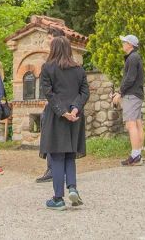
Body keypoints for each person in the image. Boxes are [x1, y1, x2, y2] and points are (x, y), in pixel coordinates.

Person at [39, 36, 89, 210]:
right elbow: (85, 92)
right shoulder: (79, 69)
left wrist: (63, 112)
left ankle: (58, 198)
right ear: (69, 49)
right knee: (70, 155)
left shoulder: (47, 68)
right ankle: (73, 187)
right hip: (75, 118)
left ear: (53, 49)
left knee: (57, 156)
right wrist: (75, 109)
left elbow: (49, 94)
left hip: (56, 118)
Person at [36, 26, 67, 184]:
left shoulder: (58, 60)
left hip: (57, 104)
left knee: (51, 134)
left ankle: (53, 168)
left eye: (49, 38)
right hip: (56, 104)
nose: (46, 41)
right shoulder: (58, 57)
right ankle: (55, 168)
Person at [113, 33, 145, 166]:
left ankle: (135, 156)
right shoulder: (134, 57)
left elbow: (130, 78)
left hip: (132, 95)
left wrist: (120, 92)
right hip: (136, 94)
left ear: (130, 45)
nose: (122, 44)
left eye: (124, 42)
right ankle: (138, 154)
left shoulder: (132, 58)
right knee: (137, 124)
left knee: (131, 125)